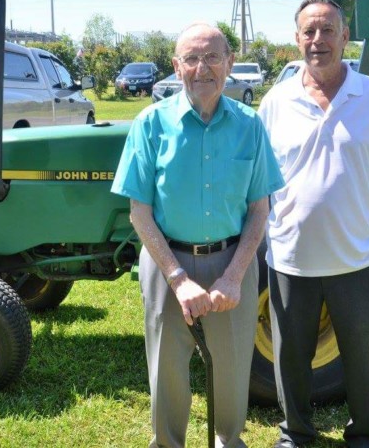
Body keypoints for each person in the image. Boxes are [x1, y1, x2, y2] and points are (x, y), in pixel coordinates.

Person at [111, 22, 284, 448]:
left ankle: (228, 441)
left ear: (229, 62)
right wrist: (178, 278)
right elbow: (139, 213)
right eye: (191, 58)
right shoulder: (150, 124)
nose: (202, 68)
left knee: (232, 369)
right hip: (166, 262)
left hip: (233, 261)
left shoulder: (250, 125)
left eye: (212, 57)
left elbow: (259, 211)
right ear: (176, 66)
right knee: (166, 370)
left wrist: (233, 276)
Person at [257, 0, 369, 448]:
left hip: (360, 261)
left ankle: (367, 436)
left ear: (345, 37)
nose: (318, 39)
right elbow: (261, 182)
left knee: (367, 361)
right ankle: (296, 433)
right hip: (291, 261)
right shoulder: (276, 101)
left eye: (328, 30)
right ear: (297, 39)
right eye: (309, 31)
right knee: (291, 358)